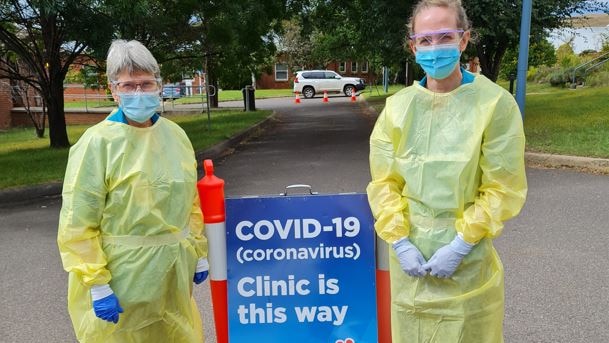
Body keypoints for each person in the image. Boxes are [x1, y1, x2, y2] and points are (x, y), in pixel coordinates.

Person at [366, 0, 527, 342]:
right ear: (412, 47)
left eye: (445, 36)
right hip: (410, 264)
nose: (435, 48)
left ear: (464, 40)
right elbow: (384, 182)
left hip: (467, 262)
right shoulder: (397, 109)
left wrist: (459, 245)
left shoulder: (494, 104)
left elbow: (502, 187)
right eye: (425, 40)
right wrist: (398, 240)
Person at [57, 39, 209, 343]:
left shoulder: (176, 136)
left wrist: (198, 251)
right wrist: (96, 283)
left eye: (146, 83)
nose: (138, 92)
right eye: (128, 85)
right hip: (122, 278)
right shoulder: (97, 144)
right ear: (114, 90)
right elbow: (78, 221)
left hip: (172, 273)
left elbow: (190, 202)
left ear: (159, 86)